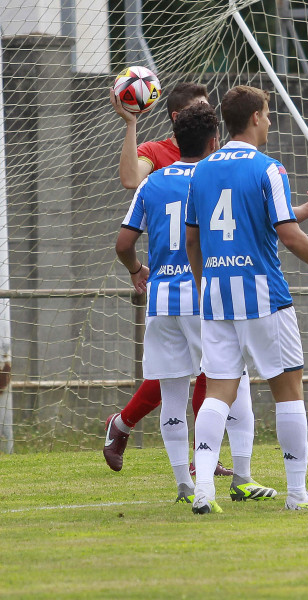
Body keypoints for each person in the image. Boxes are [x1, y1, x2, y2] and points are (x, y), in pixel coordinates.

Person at [185, 85, 308, 514]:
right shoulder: (268, 169)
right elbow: (287, 233)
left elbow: (192, 238)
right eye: (269, 114)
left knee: (217, 392)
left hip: (218, 296)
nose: (271, 121)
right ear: (256, 118)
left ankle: (203, 488)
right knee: (288, 389)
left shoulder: (200, 171)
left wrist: (206, 284)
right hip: (264, 295)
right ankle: (297, 493)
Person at [115, 102, 277, 503]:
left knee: (172, 394)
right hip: (204, 297)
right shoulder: (209, 178)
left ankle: (184, 485)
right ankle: (242, 477)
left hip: (162, 301)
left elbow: (123, 244)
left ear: (174, 140)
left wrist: (137, 269)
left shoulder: (151, 183)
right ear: (213, 141)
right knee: (233, 384)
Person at [104, 82, 227, 475]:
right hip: (184, 282)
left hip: (186, 288)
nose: (210, 114)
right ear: (179, 118)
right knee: (212, 371)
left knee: (187, 374)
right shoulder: (156, 155)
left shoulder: (216, 157)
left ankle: (133, 430)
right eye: (202, 108)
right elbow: (128, 179)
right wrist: (130, 124)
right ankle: (208, 463)